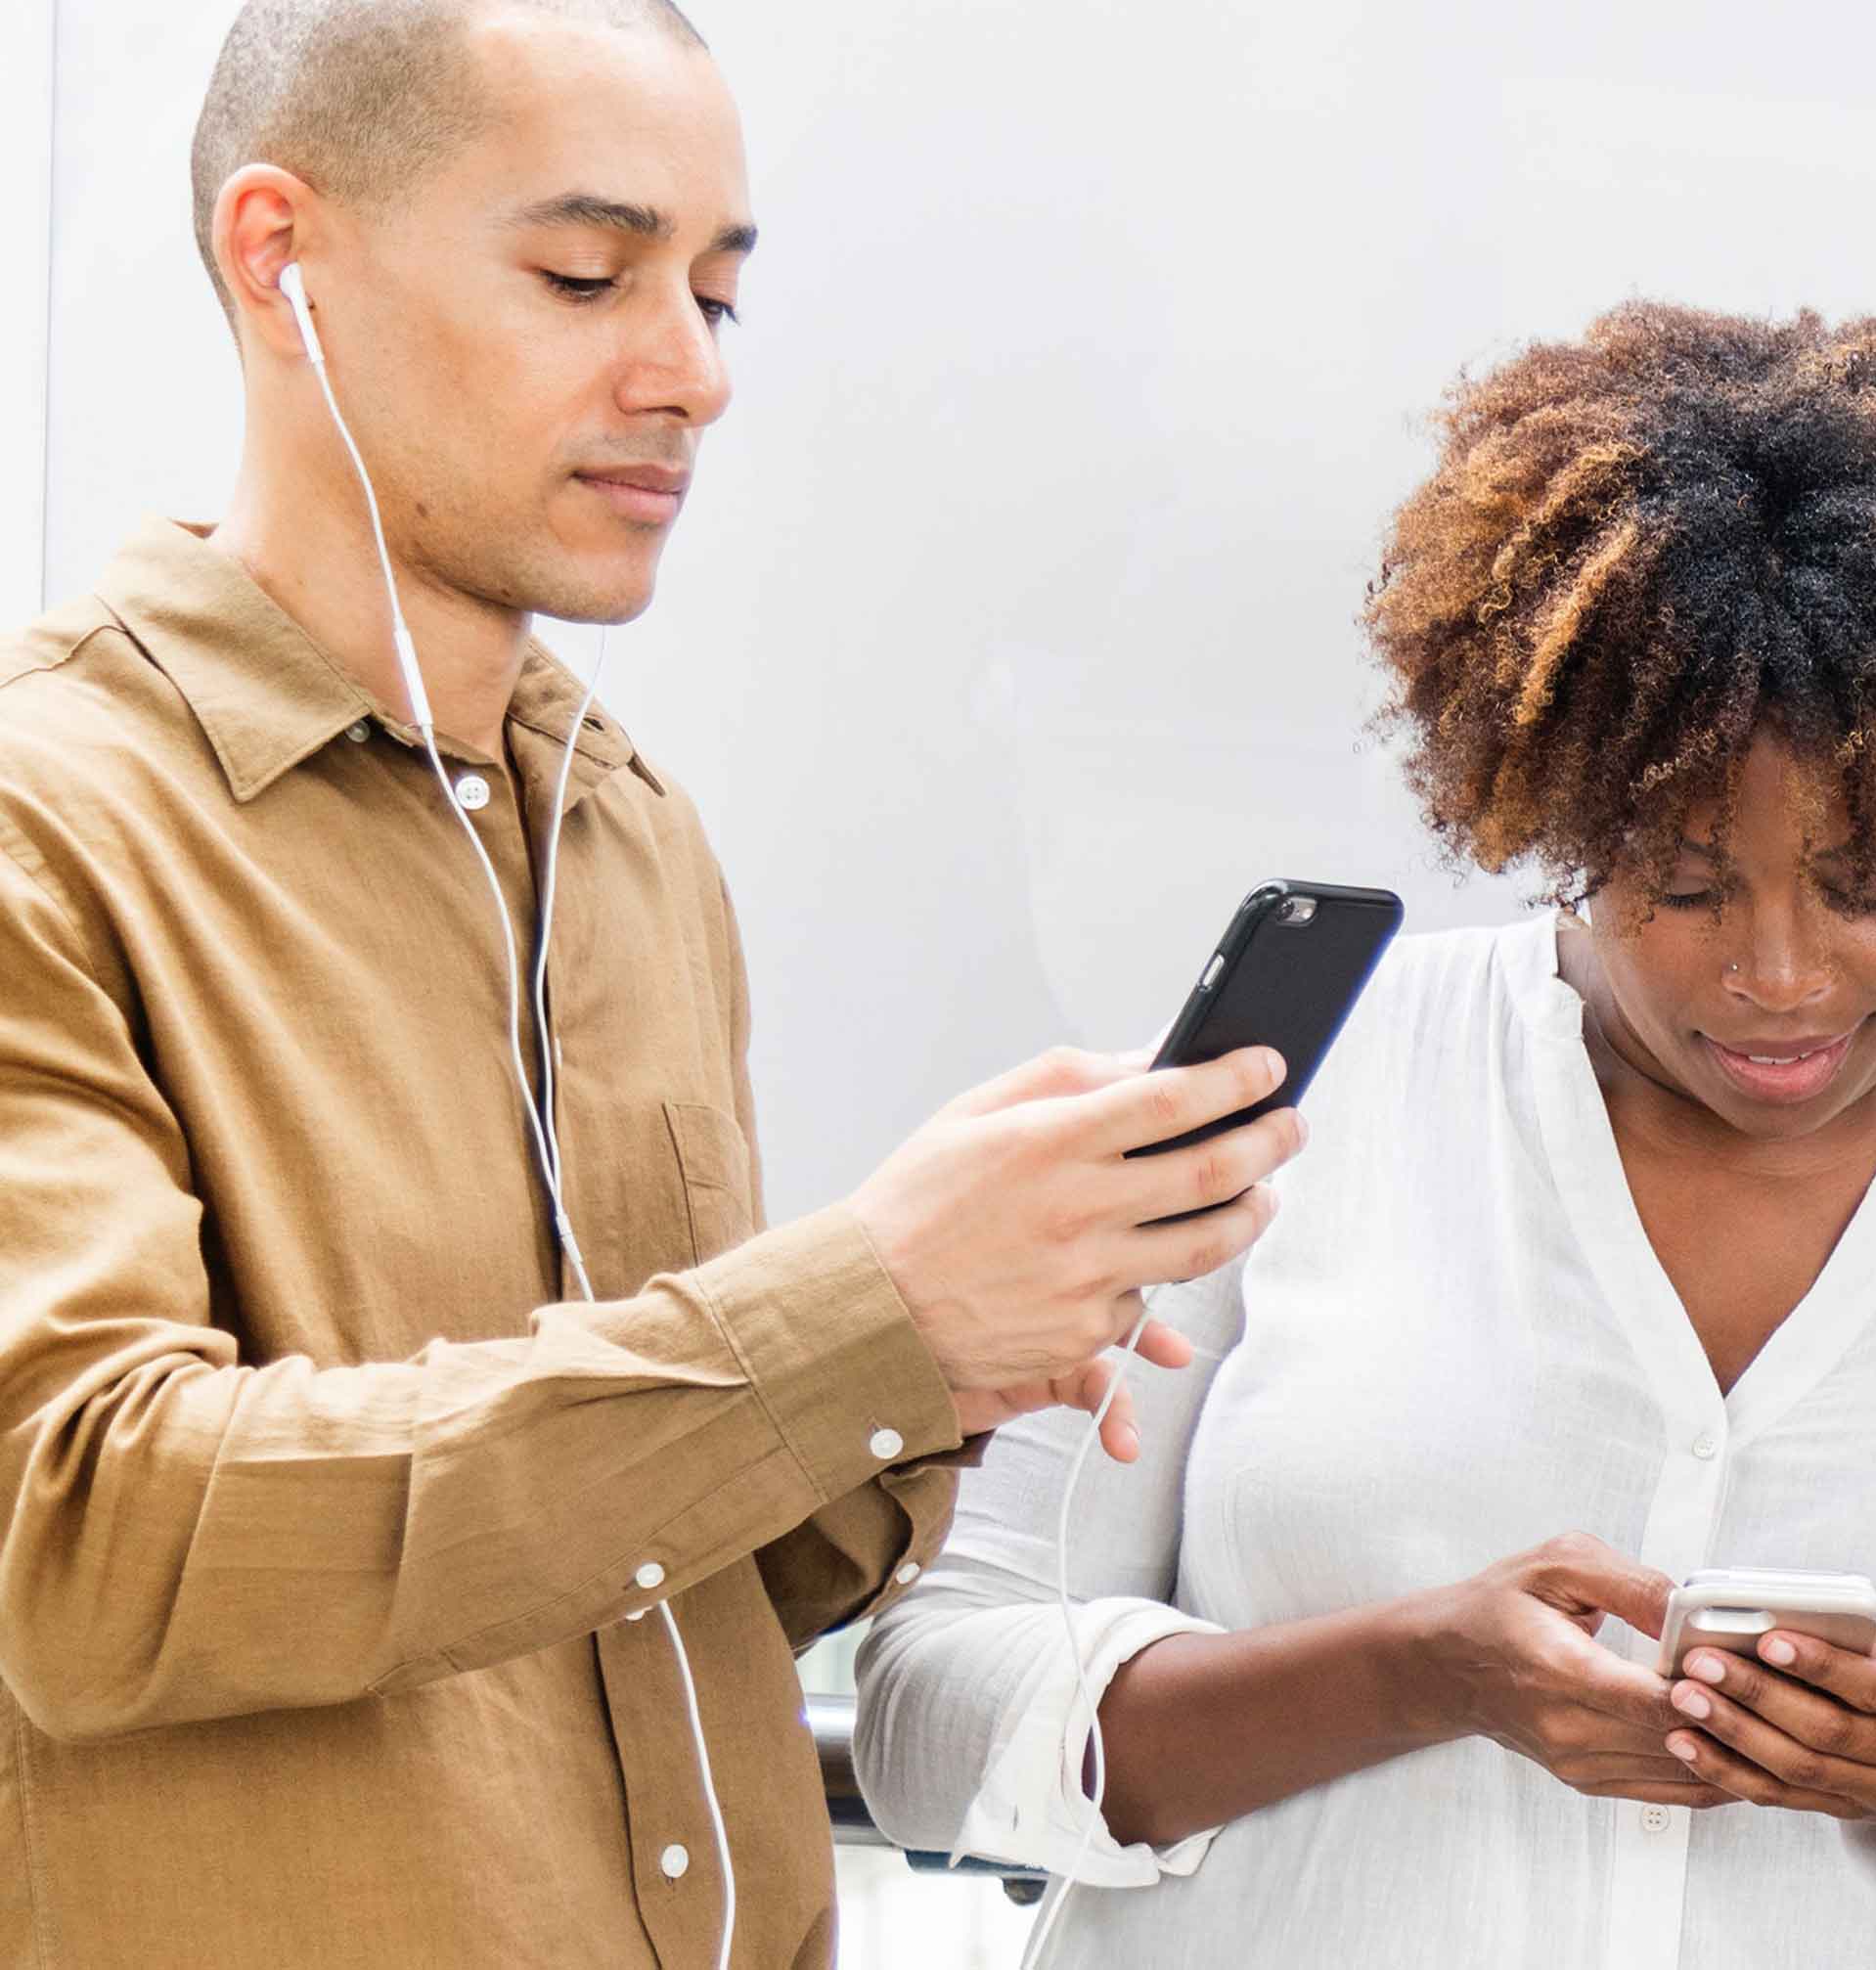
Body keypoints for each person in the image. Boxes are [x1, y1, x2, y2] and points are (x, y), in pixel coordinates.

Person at [0, 4, 1304, 1963]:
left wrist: (926, 1372)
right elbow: (87, 1553)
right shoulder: (51, 820)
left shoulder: (627, 836)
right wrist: (843, 1308)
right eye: (587, 274)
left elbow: (648, 1591)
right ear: (284, 260)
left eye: (712, 293)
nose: (687, 371)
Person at [853, 301, 1876, 1969]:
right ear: (1556, 815)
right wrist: (1419, 1671)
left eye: (1870, 881)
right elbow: (931, 1727)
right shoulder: (1293, 1103)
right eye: (1681, 882)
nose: (1780, 975)